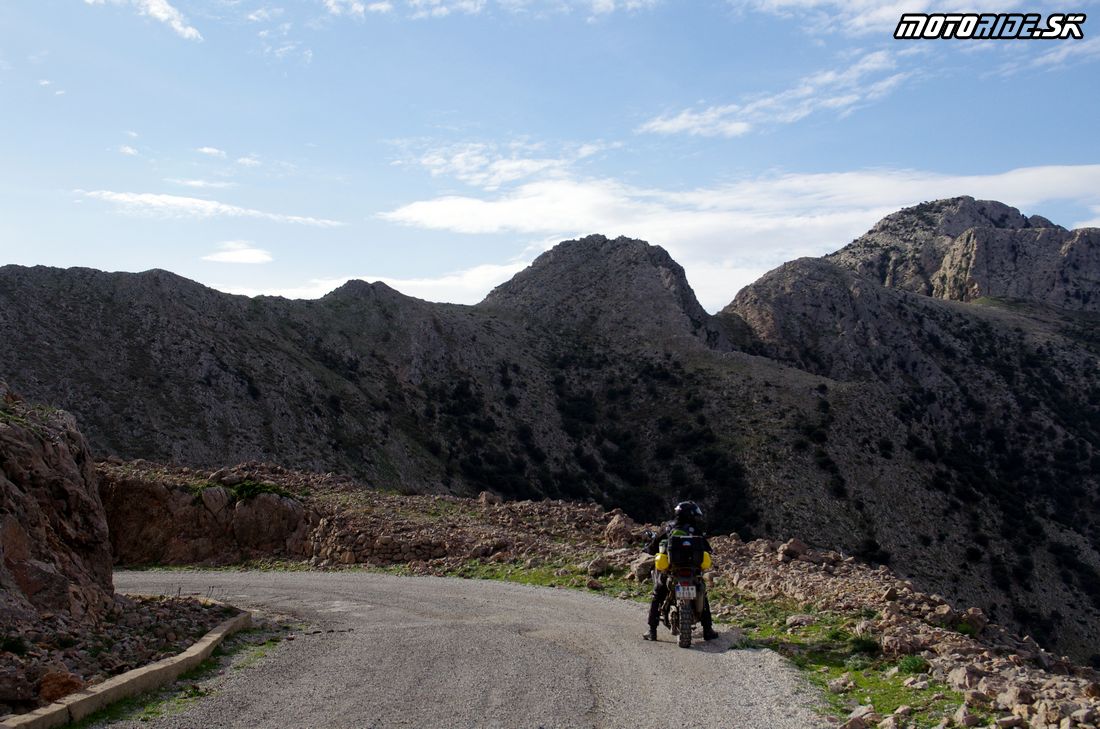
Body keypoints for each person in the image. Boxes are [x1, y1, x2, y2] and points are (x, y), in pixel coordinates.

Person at [643, 500, 718, 642]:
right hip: (692, 572)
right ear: (690, 515)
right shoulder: (695, 530)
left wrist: (647, 549)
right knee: (702, 592)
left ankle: (652, 630)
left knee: (657, 595)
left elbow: (653, 547)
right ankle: (707, 630)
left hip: (672, 572)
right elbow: (707, 548)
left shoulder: (668, 528)